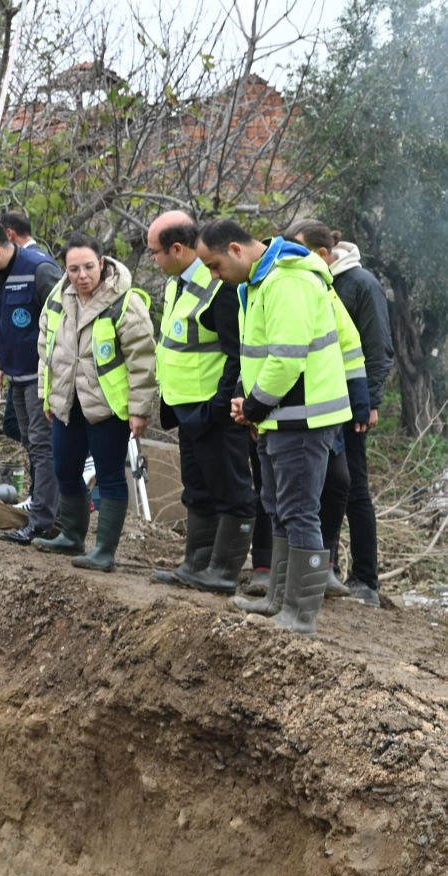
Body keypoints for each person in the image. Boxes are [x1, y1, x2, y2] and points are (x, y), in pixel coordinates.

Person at [196, 220, 365, 636]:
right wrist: (244, 397)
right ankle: (279, 600)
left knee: (299, 512)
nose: (215, 276)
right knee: (277, 507)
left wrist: (253, 406)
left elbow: (287, 358)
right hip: (279, 415)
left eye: (215, 266)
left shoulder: (287, 280)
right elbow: (256, 353)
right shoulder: (258, 282)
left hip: (303, 417)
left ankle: (301, 613)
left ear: (236, 249)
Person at [32, 233, 157, 572]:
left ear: (102, 263)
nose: (81, 275)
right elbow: (47, 349)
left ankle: (104, 550)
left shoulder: (125, 302)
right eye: (74, 269)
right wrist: (48, 394)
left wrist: (139, 409)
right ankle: (72, 535)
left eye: (88, 267)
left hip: (109, 406)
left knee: (110, 474)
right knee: (64, 468)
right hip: (67, 401)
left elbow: (142, 360)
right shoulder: (58, 298)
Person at [146, 211, 257, 594]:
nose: (153, 260)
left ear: (177, 248)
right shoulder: (177, 284)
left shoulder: (221, 287)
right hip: (185, 407)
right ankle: (196, 564)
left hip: (214, 409)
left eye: (155, 252)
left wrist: (219, 403)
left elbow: (236, 354)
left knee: (231, 490)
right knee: (197, 488)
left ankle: (223, 572)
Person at [287, 219, 393, 607]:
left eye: (296, 248)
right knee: (323, 486)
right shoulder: (311, 282)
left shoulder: (360, 284)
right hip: (317, 404)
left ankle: (366, 578)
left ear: (321, 252)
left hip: (351, 405)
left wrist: (373, 401)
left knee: (354, 488)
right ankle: (322, 567)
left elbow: (378, 347)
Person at [0, 219, 63, 543]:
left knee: (41, 444)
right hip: (17, 373)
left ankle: (43, 520)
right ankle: (47, 507)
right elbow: (2, 320)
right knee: (28, 440)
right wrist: (0, 363)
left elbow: (65, 322)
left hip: (42, 374)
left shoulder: (39, 269)